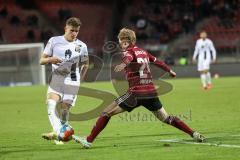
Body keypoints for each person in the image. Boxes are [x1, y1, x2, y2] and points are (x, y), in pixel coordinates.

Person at [73, 28, 205, 148]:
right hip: (151, 92)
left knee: (107, 112)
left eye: (120, 40)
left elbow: (128, 58)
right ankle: (193, 133)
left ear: (125, 40)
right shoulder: (143, 52)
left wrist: (123, 64)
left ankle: (88, 141)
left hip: (136, 94)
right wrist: (170, 71)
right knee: (166, 118)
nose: (119, 42)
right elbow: (157, 61)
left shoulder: (128, 52)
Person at [39, 17, 89, 145]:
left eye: (77, 31)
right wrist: (52, 59)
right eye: (72, 30)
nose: (74, 34)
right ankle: (59, 132)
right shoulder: (54, 41)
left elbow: (86, 64)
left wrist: (80, 80)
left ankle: (60, 134)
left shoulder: (82, 46)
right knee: (50, 103)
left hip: (73, 82)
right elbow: (42, 60)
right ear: (65, 28)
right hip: (57, 79)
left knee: (64, 110)